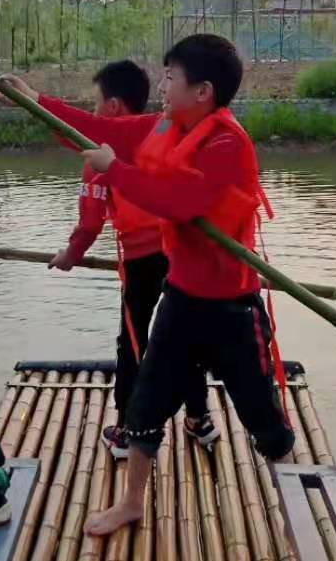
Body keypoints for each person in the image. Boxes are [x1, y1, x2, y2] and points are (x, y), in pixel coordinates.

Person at [0, 34, 294, 536]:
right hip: (182, 296)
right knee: (148, 399)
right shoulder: (166, 126)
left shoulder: (226, 143)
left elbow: (180, 201)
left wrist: (115, 172)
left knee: (261, 410)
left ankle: (293, 498)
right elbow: (94, 130)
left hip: (232, 308)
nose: (163, 85)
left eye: (171, 77)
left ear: (203, 91)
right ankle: (132, 501)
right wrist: (33, 100)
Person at [43, 59, 215, 458]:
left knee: (134, 340)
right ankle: (199, 419)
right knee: (185, 334)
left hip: (142, 260)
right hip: (184, 252)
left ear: (115, 106)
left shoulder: (101, 157)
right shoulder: (166, 131)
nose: (94, 112)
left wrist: (70, 254)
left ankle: (125, 428)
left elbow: (90, 223)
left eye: (97, 104)